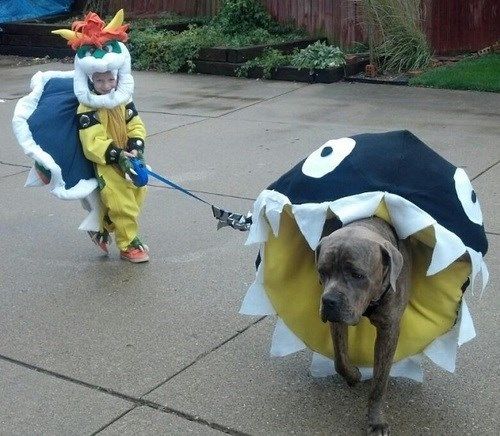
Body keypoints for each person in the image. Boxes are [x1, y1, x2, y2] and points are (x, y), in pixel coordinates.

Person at [77, 69, 149, 263]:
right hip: (106, 162)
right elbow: (92, 141)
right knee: (120, 201)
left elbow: (135, 123)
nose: (106, 85)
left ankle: (102, 225)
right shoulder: (88, 106)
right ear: (91, 80)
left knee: (138, 193)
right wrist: (116, 155)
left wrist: (135, 146)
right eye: (100, 80)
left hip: (129, 157)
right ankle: (128, 244)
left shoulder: (123, 99)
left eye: (111, 79)